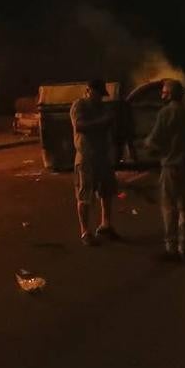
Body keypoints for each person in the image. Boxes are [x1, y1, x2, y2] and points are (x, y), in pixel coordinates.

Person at [144, 79, 185, 261]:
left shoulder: (165, 113)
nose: (161, 94)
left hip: (170, 167)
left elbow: (154, 140)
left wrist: (147, 146)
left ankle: (171, 247)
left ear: (169, 94)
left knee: (169, 208)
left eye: (163, 91)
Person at [69, 79, 118, 246]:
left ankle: (106, 225)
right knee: (85, 195)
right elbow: (79, 125)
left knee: (106, 192)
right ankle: (85, 232)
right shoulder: (79, 105)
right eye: (98, 94)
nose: (100, 98)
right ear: (89, 90)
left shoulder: (102, 107)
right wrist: (103, 121)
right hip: (86, 157)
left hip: (102, 156)